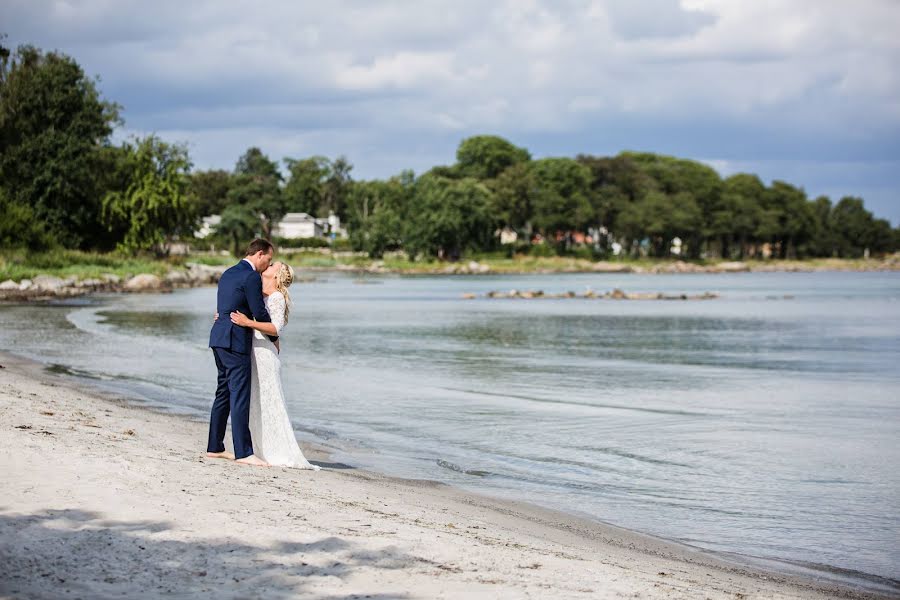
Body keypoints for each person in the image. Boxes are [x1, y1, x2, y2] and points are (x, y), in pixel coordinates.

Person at [229, 261, 320, 469]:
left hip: (265, 356)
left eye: (272, 265)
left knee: (269, 401)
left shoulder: (277, 297)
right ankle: (257, 449)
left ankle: (275, 451)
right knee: (254, 402)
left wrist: (248, 323)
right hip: (251, 352)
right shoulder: (258, 294)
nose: (267, 266)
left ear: (277, 275)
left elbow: (275, 328)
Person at [206, 238, 277, 467]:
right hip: (235, 341)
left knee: (224, 392)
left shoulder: (227, 272)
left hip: (218, 337)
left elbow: (224, 306)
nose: (269, 263)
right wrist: (274, 336)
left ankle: (214, 447)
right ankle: (244, 452)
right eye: (269, 258)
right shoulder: (251, 277)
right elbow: (259, 312)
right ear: (259, 254)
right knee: (239, 396)